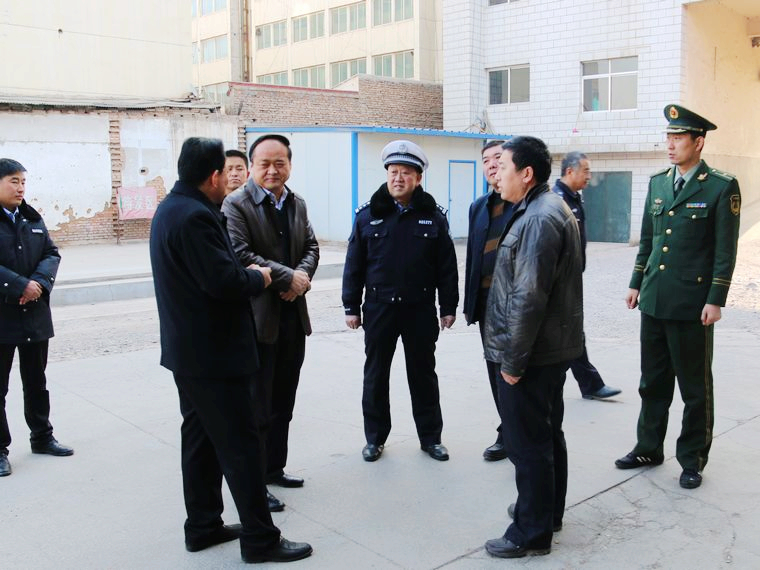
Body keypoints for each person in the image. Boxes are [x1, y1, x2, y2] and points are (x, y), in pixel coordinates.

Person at [149, 137, 312, 563]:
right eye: (226, 171)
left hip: (190, 353)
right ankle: (261, 539)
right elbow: (223, 281)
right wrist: (260, 277)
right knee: (240, 446)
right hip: (214, 356)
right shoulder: (194, 217)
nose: (230, 179)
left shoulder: (173, 208)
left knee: (200, 440)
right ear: (213, 176)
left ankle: (203, 525)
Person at [616, 105, 741, 490]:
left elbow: (725, 250)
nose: (670, 145)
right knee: (652, 382)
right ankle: (648, 448)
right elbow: (649, 241)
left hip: (692, 305)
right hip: (654, 299)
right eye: (668, 138)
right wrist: (636, 283)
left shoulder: (720, 186)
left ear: (698, 142)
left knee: (694, 388)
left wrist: (715, 298)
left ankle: (692, 459)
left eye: (678, 138)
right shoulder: (658, 183)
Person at [483, 136, 583, 558]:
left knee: (528, 444)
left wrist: (513, 361)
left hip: (531, 354)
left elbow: (528, 297)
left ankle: (530, 532)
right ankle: (545, 511)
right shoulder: (540, 208)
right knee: (545, 434)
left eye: (503, 166)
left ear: (526, 174)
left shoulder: (540, 217)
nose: (496, 174)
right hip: (547, 349)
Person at [342, 139, 458, 462]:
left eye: (406, 172)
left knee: (423, 375)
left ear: (418, 178)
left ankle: (431, 438)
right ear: (386, 175)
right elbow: (354, 265)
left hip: (419, 309)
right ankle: (375, 439)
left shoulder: (433, 217)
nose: (398, 178)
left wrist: (448, 307)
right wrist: (351, 306)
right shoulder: (367, 216)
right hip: (379, 308)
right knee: (376, 376)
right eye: (393, 171)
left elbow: (447, 267)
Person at [222, 134, 319, 512]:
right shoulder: (236, 204)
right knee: (256, 408)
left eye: (280, 163)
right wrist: (287, 278)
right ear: (251, 166)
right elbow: (240, 253)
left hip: (293, 316)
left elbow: (311, 247)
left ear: (290, 165)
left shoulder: (297, 203)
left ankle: (275, 468)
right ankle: (255, 481)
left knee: (283, 402)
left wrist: (301, 279)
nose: (273, 170)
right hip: (257, 320)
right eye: (264, 163)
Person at [0, 158, 73, 478]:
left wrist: (39, 284)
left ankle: (42, 436)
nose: (20, 188)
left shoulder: (32, 217)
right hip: (3, 316)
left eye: (23, 181)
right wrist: (20, 285)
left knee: (36, 381)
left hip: (34, 314)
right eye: (13, 181)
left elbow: (51, 253)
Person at [552, 152, 621, 400]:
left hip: (571, 279)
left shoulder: (573, 198)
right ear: (570, 171)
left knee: (570, 332)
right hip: (559, 282)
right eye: (586, 171)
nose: (589, 176)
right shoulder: (556, 200)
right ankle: (589, 384)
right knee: (568, 333)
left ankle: (588, 384)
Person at [463, 140, 514, 462]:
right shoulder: (479, 207)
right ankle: (507, 431)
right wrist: (469, 304)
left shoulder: (523, 204)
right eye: (485, 160)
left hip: (515, 305)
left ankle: (516, 432)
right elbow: (472, 257)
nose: (492, 164)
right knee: (495, 369)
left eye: (498, 157)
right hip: (486, 303)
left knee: (515, 371)